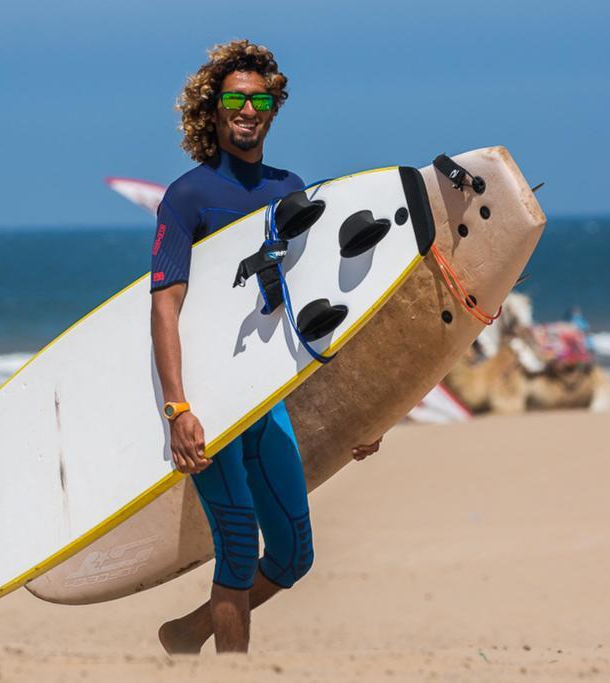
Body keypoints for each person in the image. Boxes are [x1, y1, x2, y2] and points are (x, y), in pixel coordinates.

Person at [149, 39, 383, 655]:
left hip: (265, 401)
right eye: (235, 97)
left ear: (274, 108)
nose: (247, 108)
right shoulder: (188, 197)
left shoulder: (291, 190)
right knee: (235, 543)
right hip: (211, 399)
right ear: (215, 108)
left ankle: (185, 634)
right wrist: (177, 408)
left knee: (293, 556)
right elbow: (164, 305)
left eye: (259, 98)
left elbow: (304, 314)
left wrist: (353, 411)